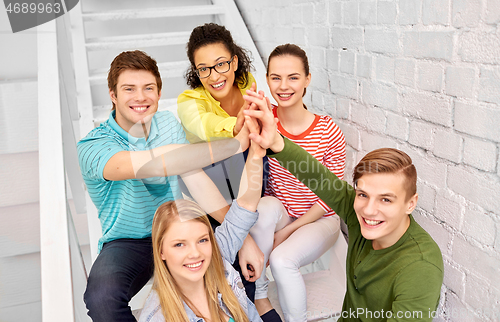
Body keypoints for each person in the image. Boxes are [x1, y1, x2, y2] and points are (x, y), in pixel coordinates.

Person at [77, 50, 263, 322]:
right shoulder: (94, 146)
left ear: (159, 92)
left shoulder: (166, 123)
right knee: (101, 298)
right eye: (129, 89)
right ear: (113, 95)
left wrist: (243, 239)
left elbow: (194, 177)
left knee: (235, 261)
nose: (140, 97)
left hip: (179, 227)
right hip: (129, 240)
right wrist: (235, 144)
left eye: (148, 88)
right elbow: (153, 164)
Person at [242, 92, 445, 321]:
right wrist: (277, 142)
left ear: (411, 204)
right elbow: (319, 177)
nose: (369, 210)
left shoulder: (420, 267)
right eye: (363, 194)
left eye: (386, 199)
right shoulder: (359, 214)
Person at [247, 44, 346, 322]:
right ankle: (258, 294)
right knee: (264, 207)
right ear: (267, 79)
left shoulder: (328, 130)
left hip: (319, 219)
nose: (284, 86)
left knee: (282, 260)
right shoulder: (267, 122)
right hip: (280, 213)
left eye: (293, 77)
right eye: (276, 77)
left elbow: (330, 197)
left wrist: (287, 233)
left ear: (307, 79)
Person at [139, 136, 265, 322]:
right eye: (180, 244)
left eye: (202, 240)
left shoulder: (217, 257)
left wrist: (256, 148)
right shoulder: (156, 317)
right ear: (161, 251)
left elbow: (245, 204)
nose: (195, 253)